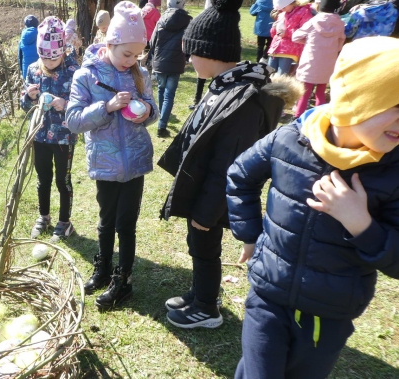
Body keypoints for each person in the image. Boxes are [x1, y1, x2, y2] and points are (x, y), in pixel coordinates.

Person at [228, 36, 399, 379]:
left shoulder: (393, 171)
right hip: (268, 296)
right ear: (356, 100)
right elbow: (240, 175)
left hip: (328, 313)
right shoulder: (291, 137)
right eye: (395, 105)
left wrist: (360, 224)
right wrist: (249, 234)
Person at [158, 0, 301, 329]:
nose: (188, 59)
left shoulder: (242, 100)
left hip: (215, 193)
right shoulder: (224, 85)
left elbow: (228, 164)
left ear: (210, 52)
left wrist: (206, 214)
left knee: (205, 244)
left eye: (191, 53)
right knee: (197, 245)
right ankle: (199, 294)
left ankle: (207, 308)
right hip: (204, 186)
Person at [67, 1, 159, 310]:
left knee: (126, 224)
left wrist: (145, 110)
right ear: (110, 43)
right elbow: (74, 120)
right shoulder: (87, 76)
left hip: (134, 161)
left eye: (137, 54)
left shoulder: (139, 73)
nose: (132, 60)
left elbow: (152, 108)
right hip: (104, 162)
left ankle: (124, 280)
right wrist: (106, 107)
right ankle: (103, 267)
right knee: (106, 222)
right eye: (126, 54)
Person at [22, 16, 80, 242]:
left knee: (62, 180)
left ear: (62, 52)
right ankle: (43, 216)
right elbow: (24, 105)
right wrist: (28, 96)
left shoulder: (74, 70)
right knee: (43, 178)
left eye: (53, 59)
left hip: (64, 136)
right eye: (44, 58)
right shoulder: (34, 69)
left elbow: (82, 104)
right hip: (39, 134)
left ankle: (65, 222)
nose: (48, 63)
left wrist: (65, 104)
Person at [292, 0, 345, 118]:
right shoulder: (340, 24)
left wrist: (306, 42)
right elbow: (340, 44)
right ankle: (317, 117)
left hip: (310, 60)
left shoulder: (313, 21)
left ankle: (298, 116)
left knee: (305, 93)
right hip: (328, 62)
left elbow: (295, 36)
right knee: (320, 92)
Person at [147, 0, 192, 137]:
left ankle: (162, 118)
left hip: (161, 61)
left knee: (162, 89)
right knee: (169, 94)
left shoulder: (161, 19)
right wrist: (187, 56)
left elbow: (152, 42)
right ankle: (162, 124)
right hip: (176, 62)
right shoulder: (188, 21)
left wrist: (154, 57)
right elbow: (190, 41)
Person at [267, 0, 313, 75]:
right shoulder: (282, 14)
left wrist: (286, 33)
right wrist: (274, 29)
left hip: (290, 50)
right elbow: (275, 35)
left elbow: (305, 32)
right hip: (275, 49)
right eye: (280, 8)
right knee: (268, 73)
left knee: (281, 75)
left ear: (290, 3)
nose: (282, 10)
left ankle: (281, 86)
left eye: (284, 7)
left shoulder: (304, 12)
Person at [19, 15, 40, 80]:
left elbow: (20, 57)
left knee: (29, 89)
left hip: (26, 71)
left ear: (25, 25)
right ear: (37, 24)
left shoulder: (22, 40)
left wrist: (22, 71)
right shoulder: (41, 37)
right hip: (39, 70)